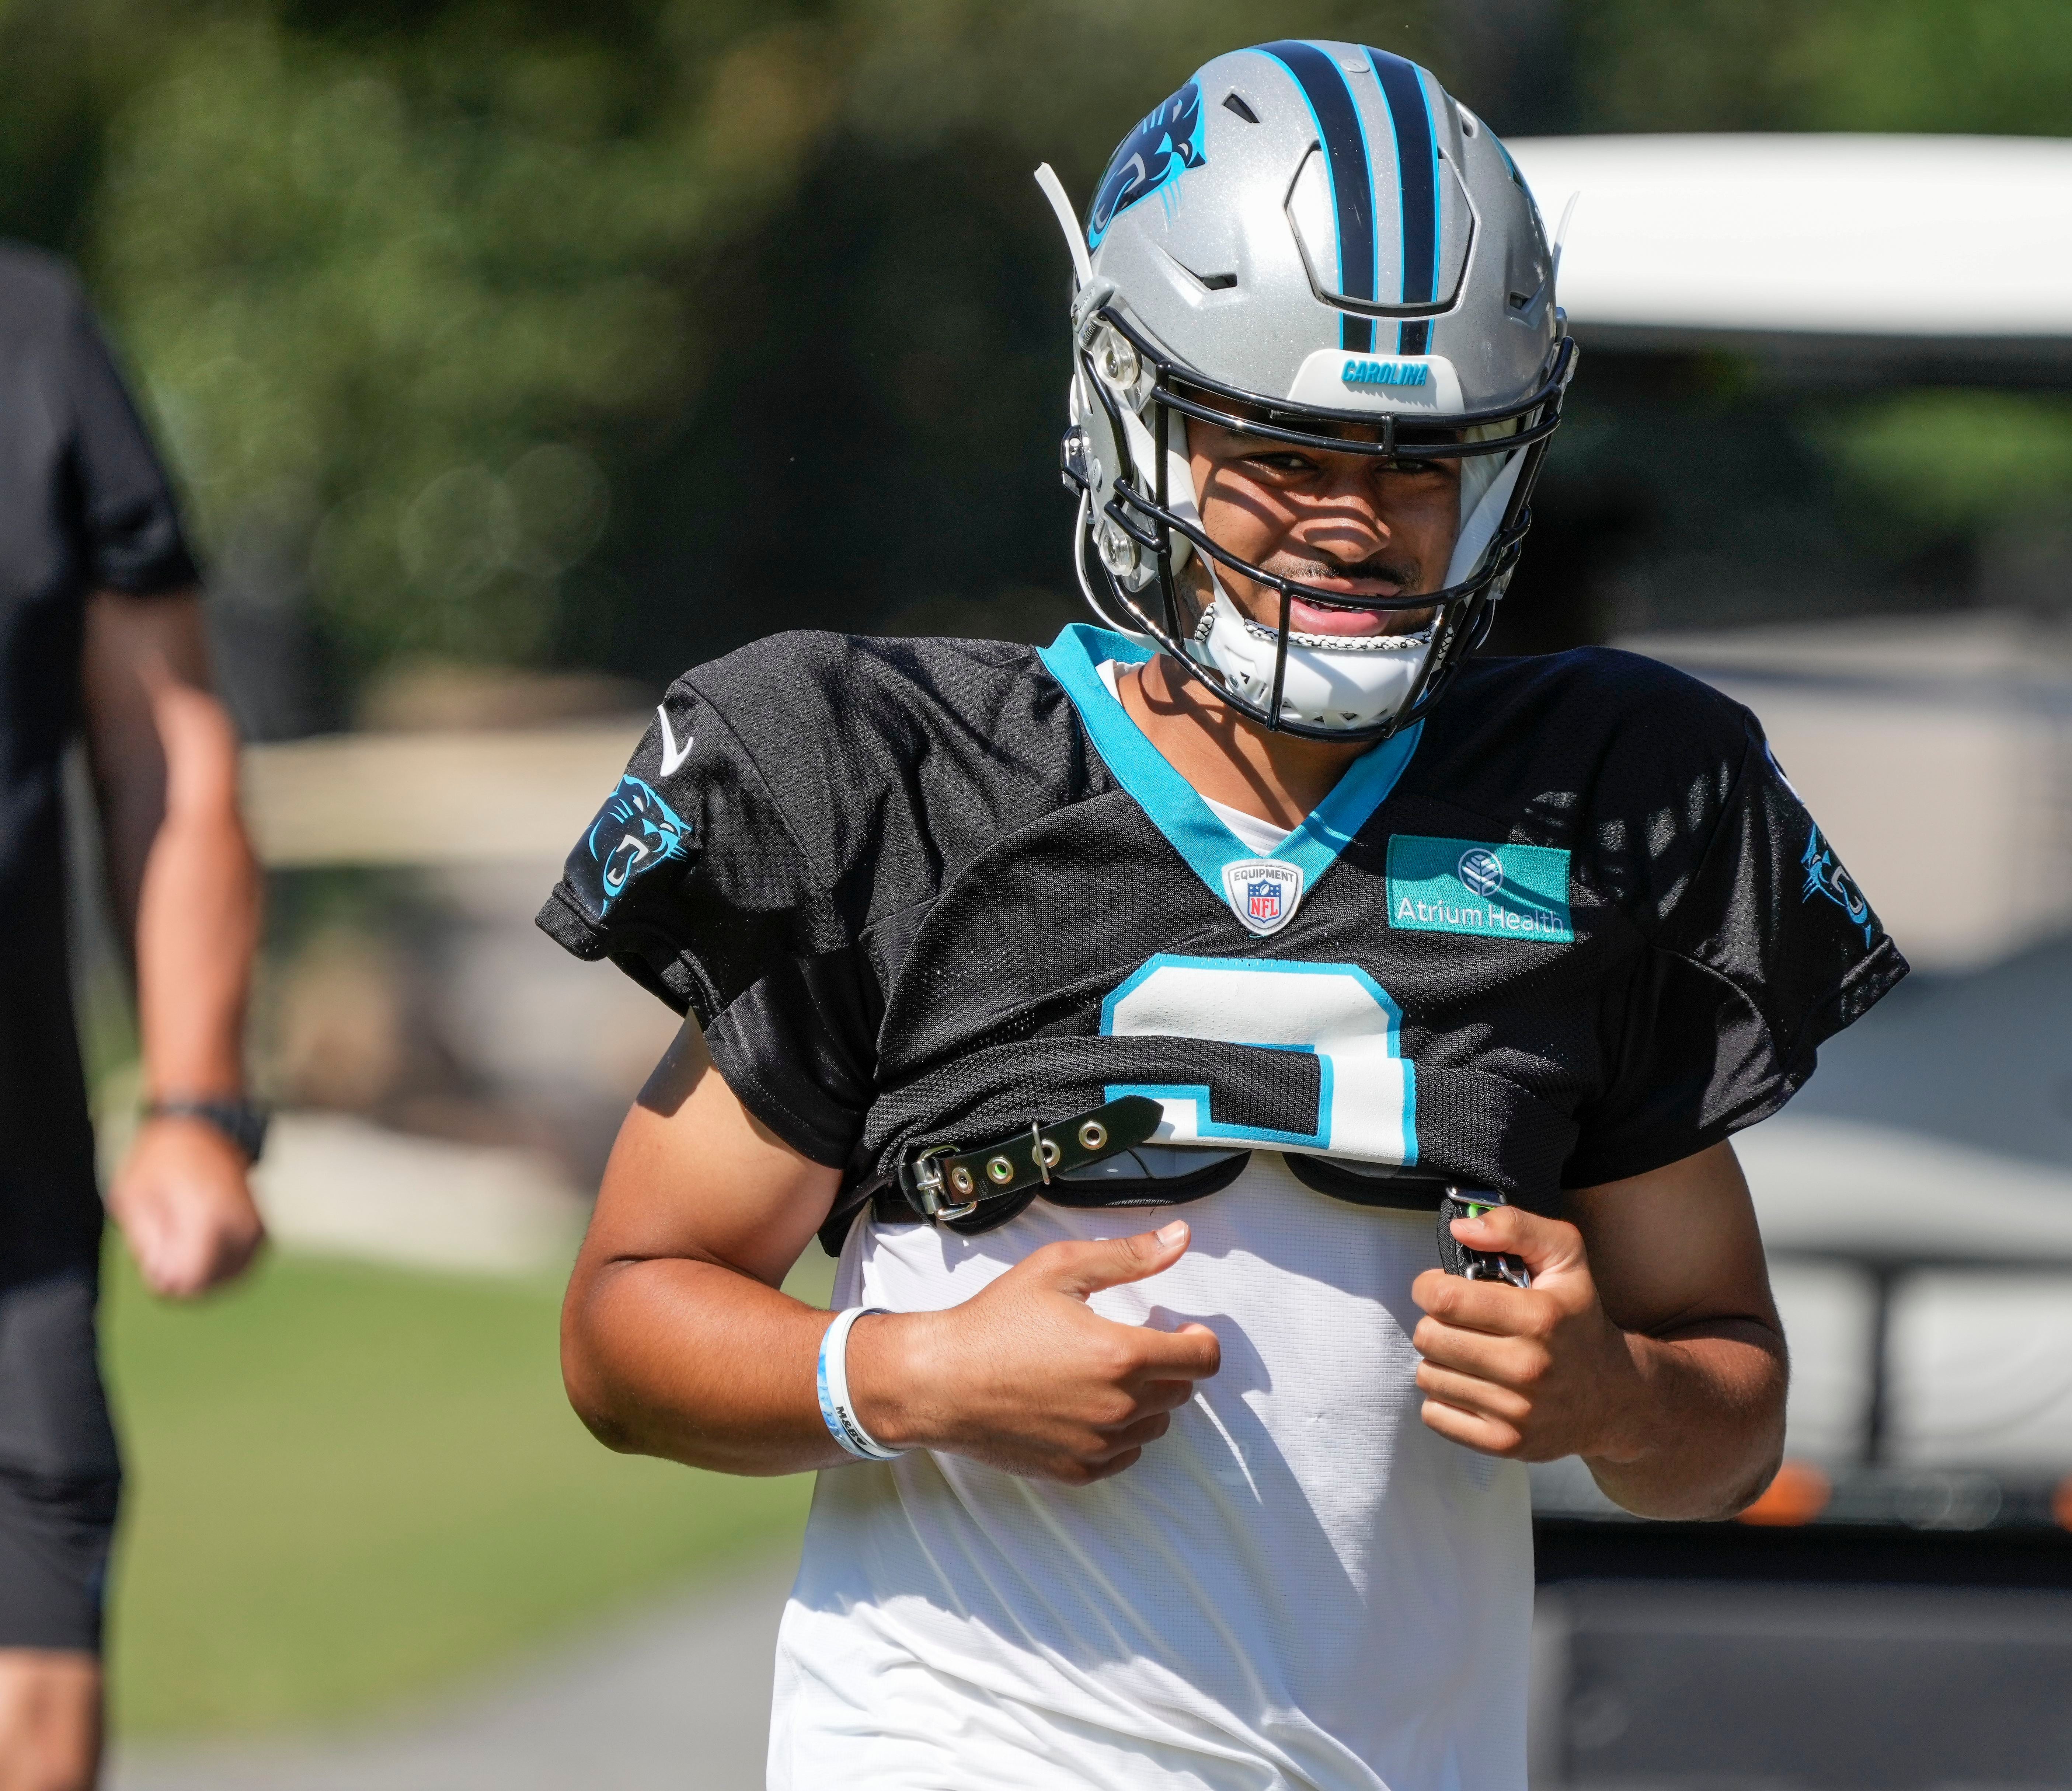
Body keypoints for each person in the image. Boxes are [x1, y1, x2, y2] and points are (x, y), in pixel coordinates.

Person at [544, 39, 1903, 1789]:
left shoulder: (1602, 795)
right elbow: (623, 1328)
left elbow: (1728, 1403)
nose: (1350, 523)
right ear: (1136, 412)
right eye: (1281, 448)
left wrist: (1615, 1404)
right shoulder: (893, 780)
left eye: (1419, 461)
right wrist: (913, 1377)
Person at [0, 238, 267, 1791]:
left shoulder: (27, 340)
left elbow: (172, 753)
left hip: (0, 1236)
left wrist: (194, 1106)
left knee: (28, 1736)